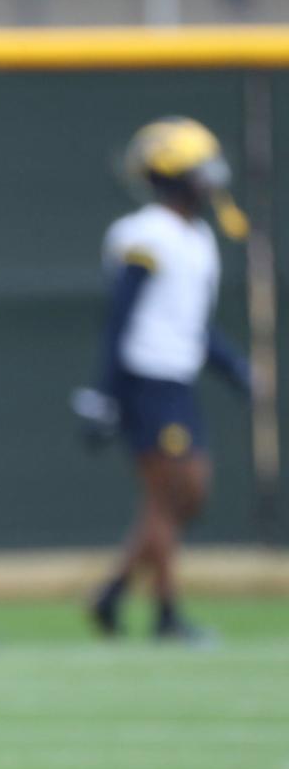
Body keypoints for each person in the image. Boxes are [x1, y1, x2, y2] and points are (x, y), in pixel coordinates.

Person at [74, 117, 252, 640]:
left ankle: (113, 592)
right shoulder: (146, 233)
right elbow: (121, 317)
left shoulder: (196, 236)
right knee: (171, 495)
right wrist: (103, 394)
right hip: (145, 379)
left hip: (177, 378)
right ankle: (166, 614)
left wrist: (236, 369)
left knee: (184, 497)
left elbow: (191, 325)